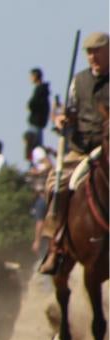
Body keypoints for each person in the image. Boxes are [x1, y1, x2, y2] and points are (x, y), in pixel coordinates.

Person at [40, 30, 109, 274]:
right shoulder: (78, 81)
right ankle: (54, 246)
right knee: (53, 184)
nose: (92, 57)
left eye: (97, 51)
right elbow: (69, 110)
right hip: (81, 150)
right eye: (89, 53)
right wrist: (61, 120)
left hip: (108, 148)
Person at [27, 67, 52, 144]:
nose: (30, 78)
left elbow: (33, 104)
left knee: (34, 146)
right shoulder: (42, 89)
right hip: (39, 122)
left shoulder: (40, 89)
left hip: (36, 122)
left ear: (35, 76)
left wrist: (30, 106)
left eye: (31, 76)